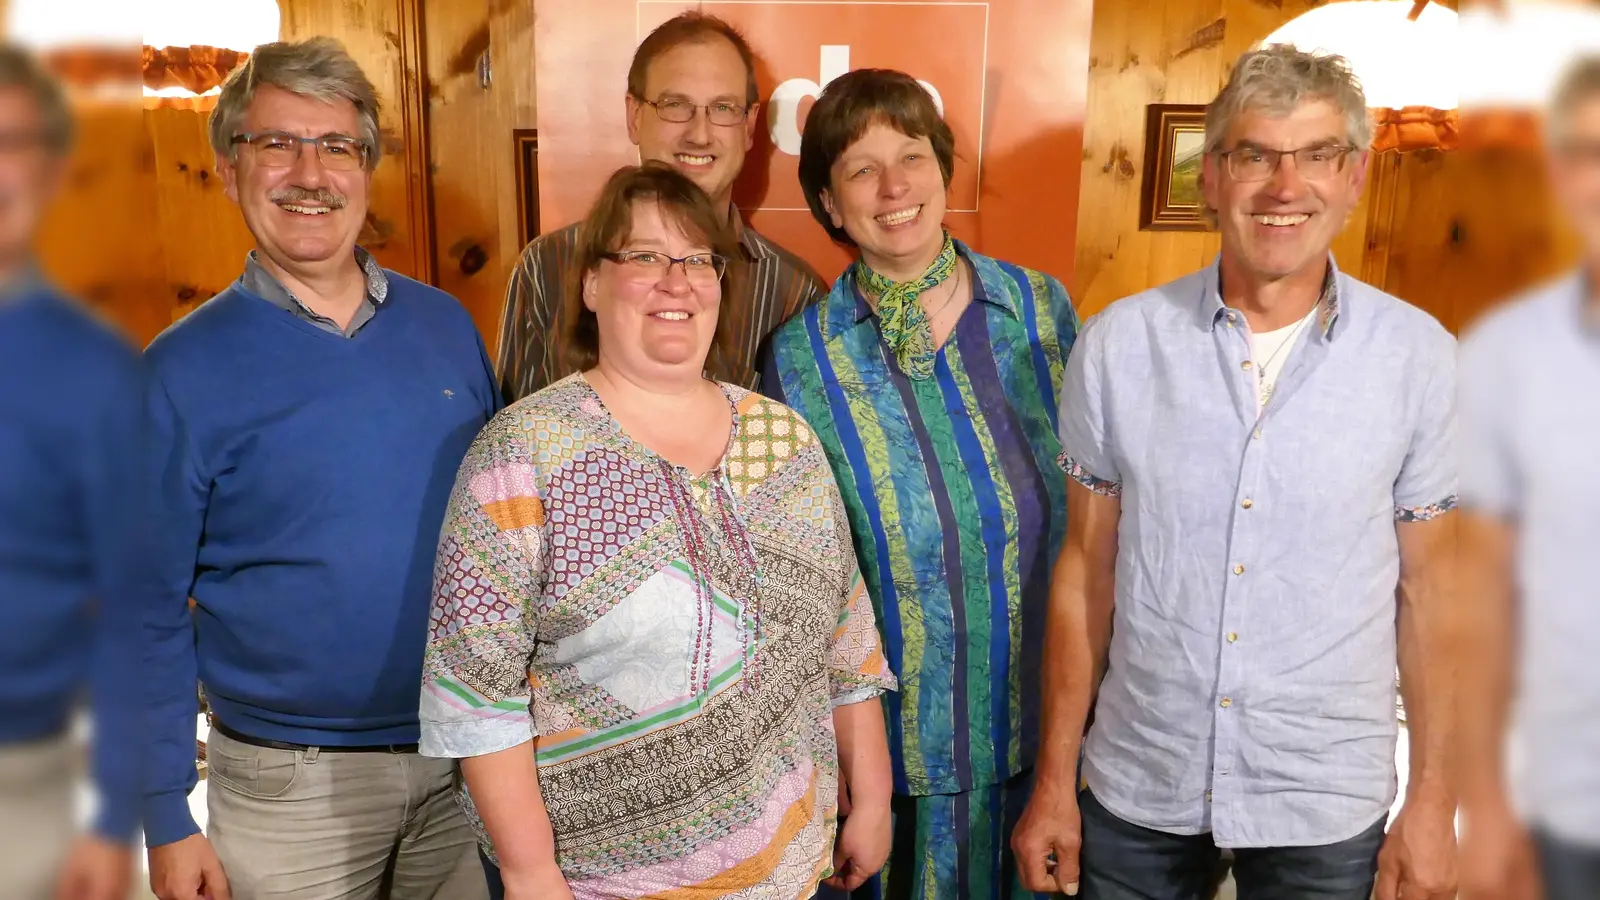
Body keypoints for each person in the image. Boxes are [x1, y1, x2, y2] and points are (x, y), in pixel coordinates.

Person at [1012, 45, 1459, 900]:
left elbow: (1432, 594)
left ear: (1356, 175)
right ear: (1211, 176)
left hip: (1324, 796)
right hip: (1140, 782)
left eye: (1318, 155)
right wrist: (1051, 784)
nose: (1285, 187)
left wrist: (1434, 801)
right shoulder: (1118, 346)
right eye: (1256, 154)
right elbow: (1085, 573)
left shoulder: (1419, 359)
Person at [419, 161, 897, 900]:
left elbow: (848, 641)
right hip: (594, 882)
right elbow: (476, 694)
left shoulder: (787, 442)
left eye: (697, 260)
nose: (676, 280)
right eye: (643, 256)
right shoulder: (522, 454)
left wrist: (872, 800)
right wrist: (529, 873)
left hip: (793, 865)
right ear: (591, 286)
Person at [138, 38, 498, 900]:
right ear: (230, 169)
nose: (310, 171)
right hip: (287, 787)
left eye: (336, 146)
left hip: (465, 760)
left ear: (366, 168)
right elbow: (136, 608)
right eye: (277, 143)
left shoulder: (446, 327)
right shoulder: (177, 371)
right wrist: (162, 813)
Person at [761, 69, 1080, 900]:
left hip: (1049, 745)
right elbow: (793, 581)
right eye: (862, 170)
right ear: (830, 204)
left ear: (945, 171)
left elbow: (1100, 519)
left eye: (912, 157)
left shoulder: (1042, 311)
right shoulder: (797, 360)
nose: (894, 186)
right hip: (886, 768)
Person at [495, 11, 824, 402]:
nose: (699, 134)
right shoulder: (547, 265)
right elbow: (511, 436)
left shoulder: (794, 292)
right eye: (675, 105)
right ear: (634, 115)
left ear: (749, 126)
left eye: (722, 108)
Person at [0, 41, 141, 900]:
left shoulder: (97, 372)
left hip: (31, 786)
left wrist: (113, 811)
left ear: (51, 172)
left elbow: (134, 603)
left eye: (13, 145)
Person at [1457, 54, 1600, 900]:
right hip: (1570, 813)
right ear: (1559, 171)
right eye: (1589, 151)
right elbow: (1477, 601)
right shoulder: (1507, 358)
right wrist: (1486, 807)